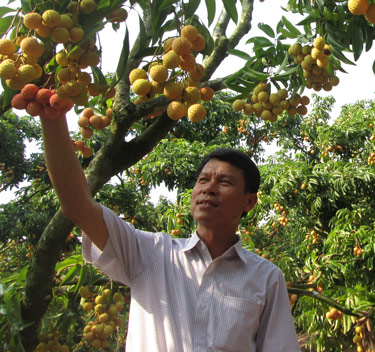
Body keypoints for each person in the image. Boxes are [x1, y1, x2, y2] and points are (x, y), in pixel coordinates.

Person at [41, 115, 300, 351]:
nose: (208, 188)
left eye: (224, 182)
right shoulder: (149, 252)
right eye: (202, 180)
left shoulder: (266, 278)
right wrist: (52, 117)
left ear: (249, 202)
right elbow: (77, 206)